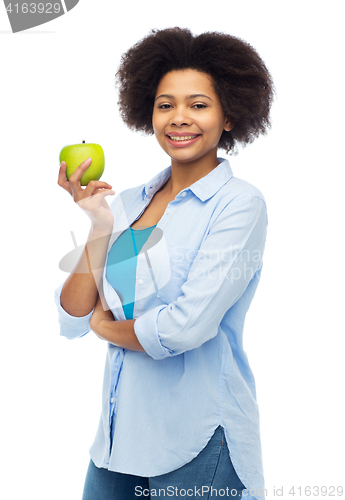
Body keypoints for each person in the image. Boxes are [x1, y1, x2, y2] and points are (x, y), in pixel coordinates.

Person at [55, 27, 275, 500]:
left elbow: (182, 329)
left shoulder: (238, 205)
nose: (179, 118)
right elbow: (71, 318)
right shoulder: (127, 202)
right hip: (116, 443)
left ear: (229, 115)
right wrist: (97, 226)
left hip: (198, 441)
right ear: (147, 113)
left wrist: (106, 327)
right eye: (165, 105)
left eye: (198, 105)